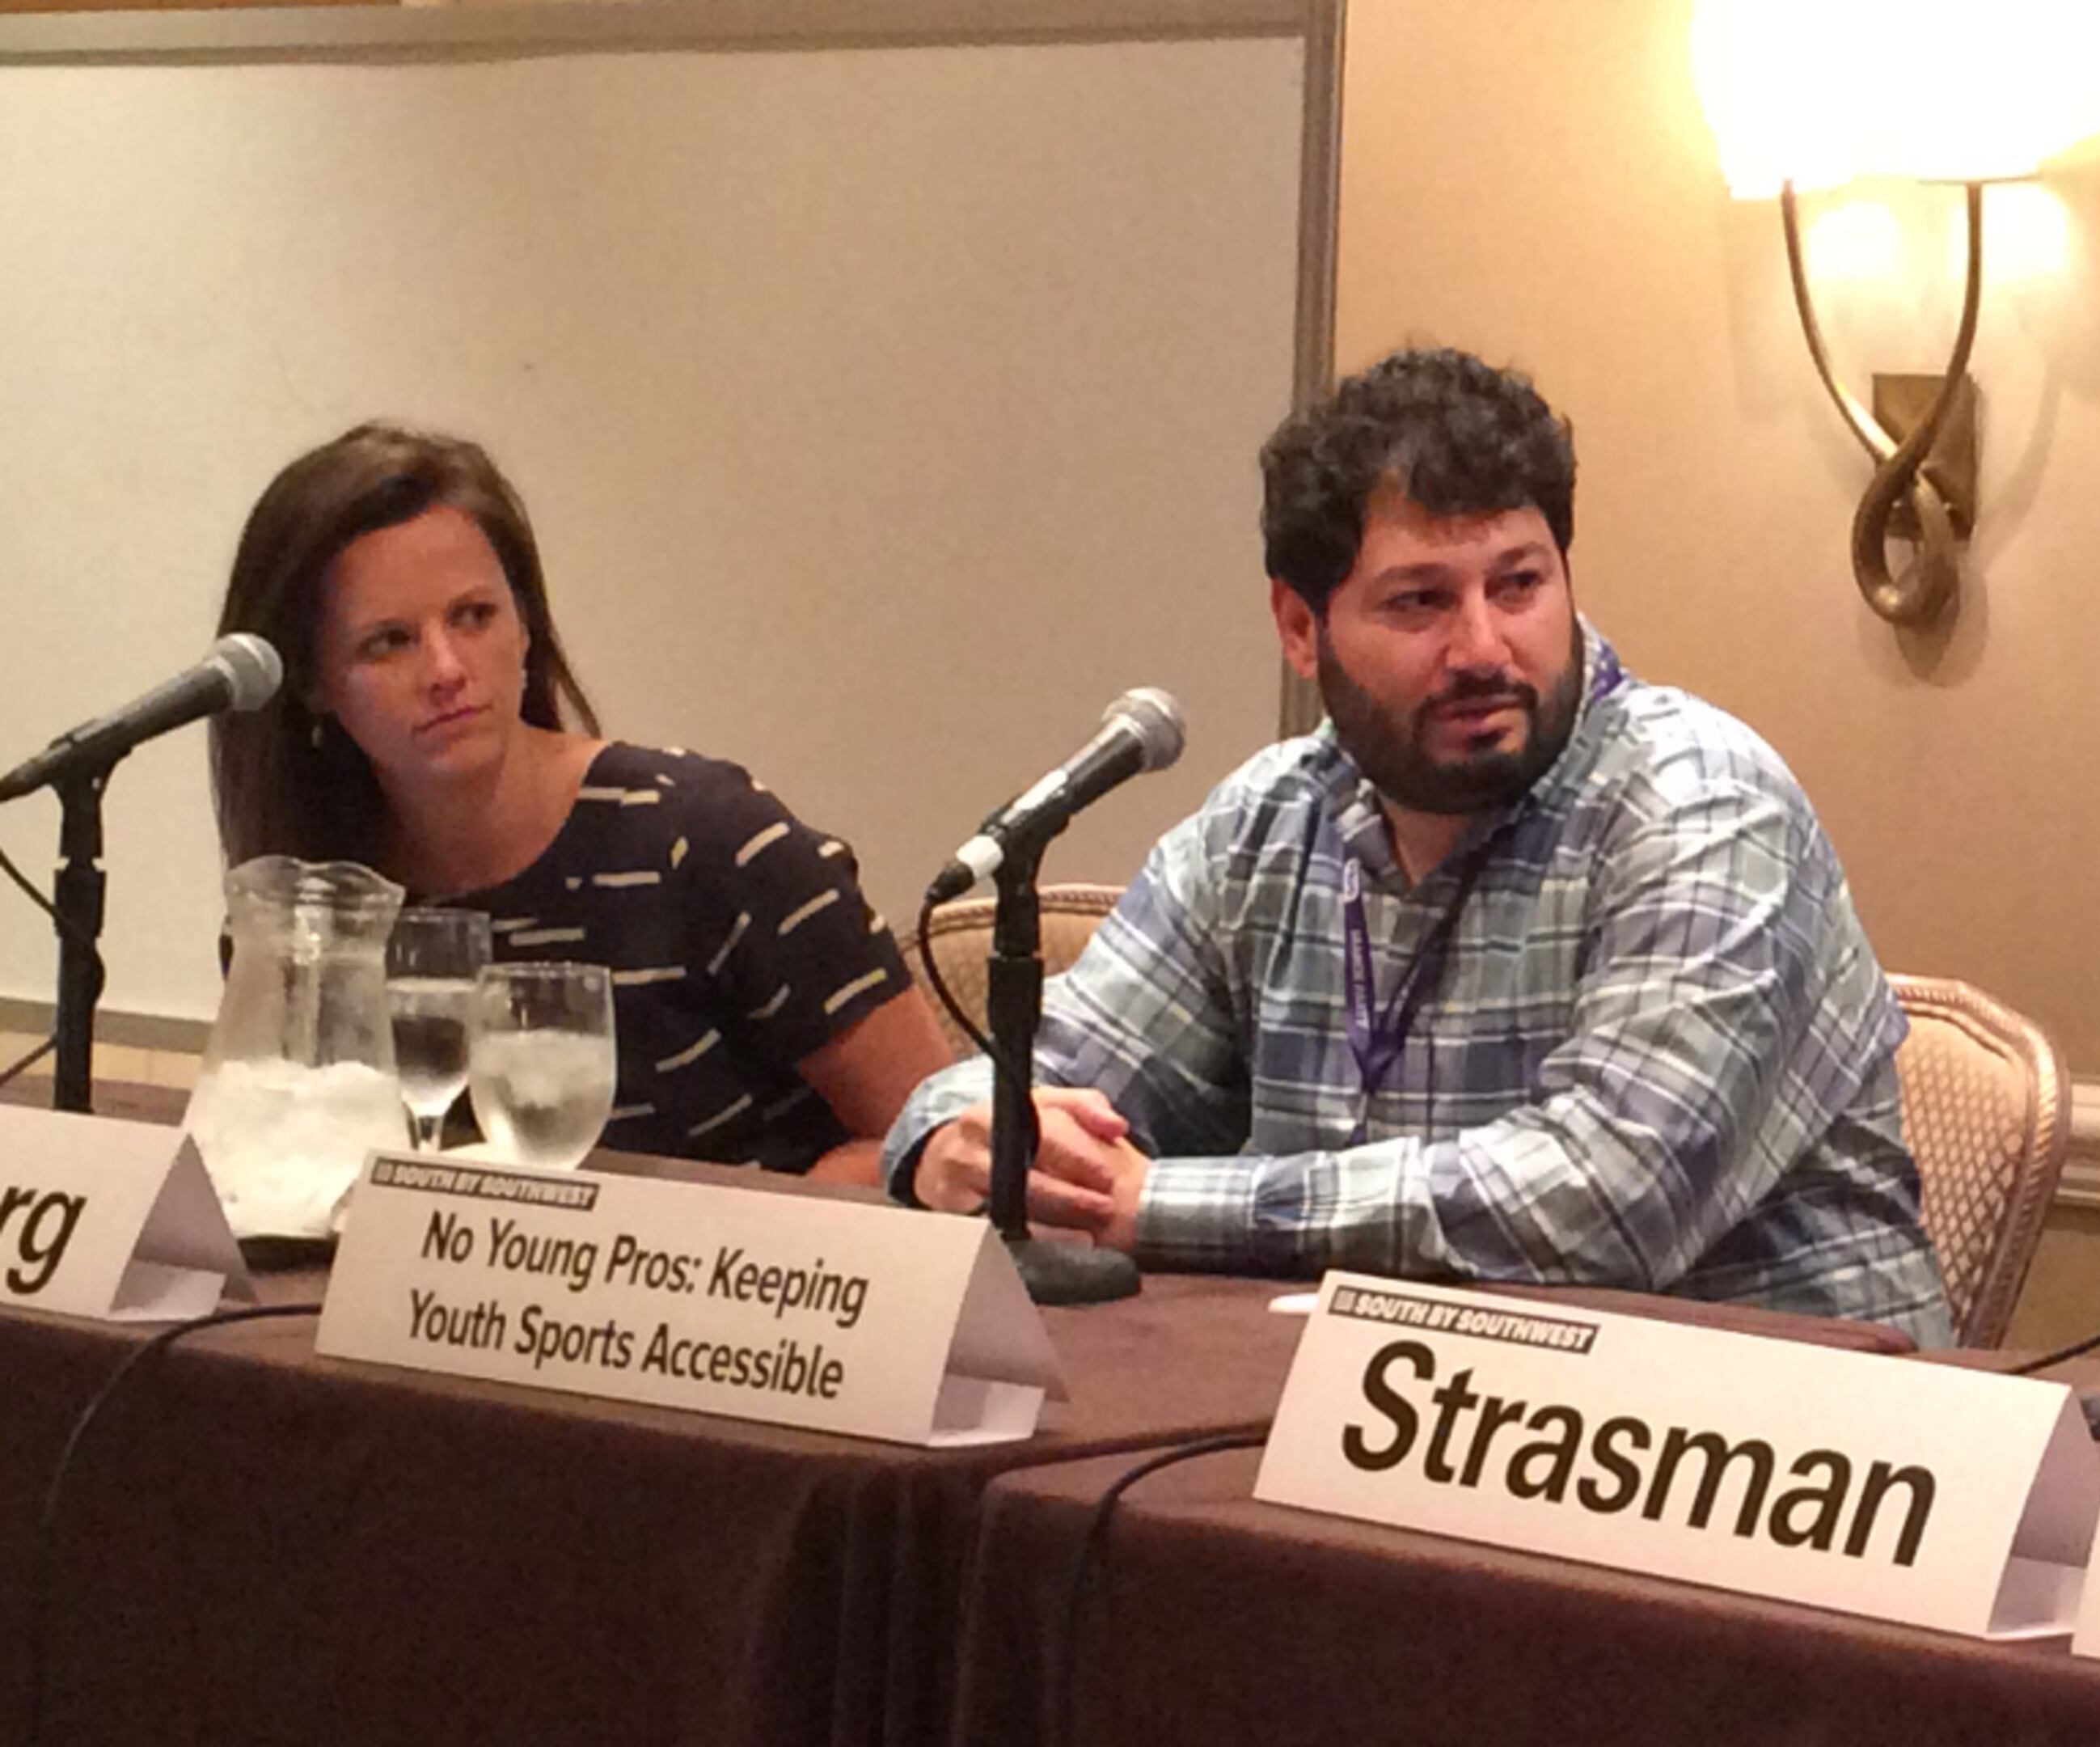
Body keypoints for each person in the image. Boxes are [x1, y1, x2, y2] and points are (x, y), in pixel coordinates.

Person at [882, 347, 1951, 1346]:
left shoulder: (1703, 806)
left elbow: (1600, 1206)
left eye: (1520, 585)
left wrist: (1149, 1204)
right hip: (1393, 1434)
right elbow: (1041, 1079)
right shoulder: (1269, 822)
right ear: (1300, 628)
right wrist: (959, 1144)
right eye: (1421, 602)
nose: (1484, 648)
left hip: (1767, 1463)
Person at [209, 421, 953, 1182]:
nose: (446, 668)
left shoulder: (706, 839)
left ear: (526, 625)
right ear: (308, 683)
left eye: (473, 616)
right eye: (389, 641)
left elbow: (944, 1142)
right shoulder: (304, 914)